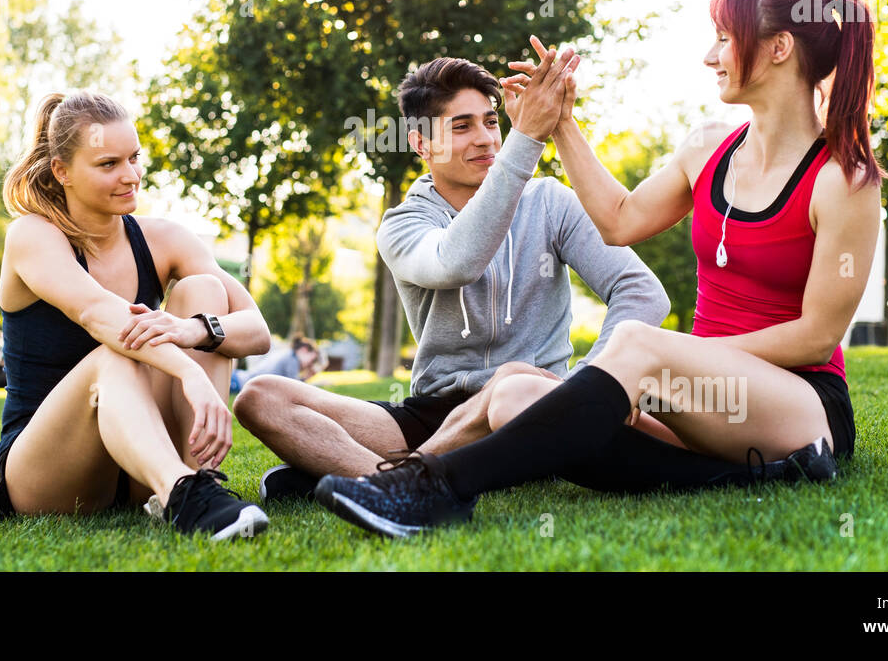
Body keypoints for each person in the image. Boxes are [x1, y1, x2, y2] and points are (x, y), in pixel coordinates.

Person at [315, 0, 884, 537]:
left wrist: (661, 364)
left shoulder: (844, 179)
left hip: (800, 406)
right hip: (693, 396)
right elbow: (619, 221)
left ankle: (435, 487)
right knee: (514, 394)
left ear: (779, 47)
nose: (710, 55)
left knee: (636, 343)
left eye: (725, 38)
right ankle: (742, 478)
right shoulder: (709, 147)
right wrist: (559, 121)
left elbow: (816, 336)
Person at [234, 55, 670, 504]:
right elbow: (457, 262)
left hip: (530, 401)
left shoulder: (550, 202)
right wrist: (526, 141)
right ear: (422, 145)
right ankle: (405, 483)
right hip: (434, 415)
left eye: (490, 121)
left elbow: (641, 292)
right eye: (461, 127)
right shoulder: (402, 226)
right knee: (260, 396)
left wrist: (587, 385)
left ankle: (379, 481)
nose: (486, 139)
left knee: (512, 376)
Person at [0, 90, 272, 540]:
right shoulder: (32, 235)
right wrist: (191, 374)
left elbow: (257, 331)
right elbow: (99, 315)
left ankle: (197, 480)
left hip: (135, 462)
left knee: (204, 290)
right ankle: (183, 495)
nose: (131, 176)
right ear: (61, 171)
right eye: (108, 165)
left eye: (134, 159)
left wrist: (193, 329)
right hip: (47, 474)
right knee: (113, 356)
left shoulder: (165, 239)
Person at [229, 335, 320, 394]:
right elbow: (295, 389)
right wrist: (307, 377)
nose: (310, 364)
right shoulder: (293, 359)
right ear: (304, 349)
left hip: (237, 378)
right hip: (238, 384)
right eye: (312, 360)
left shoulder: (287, 353)